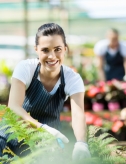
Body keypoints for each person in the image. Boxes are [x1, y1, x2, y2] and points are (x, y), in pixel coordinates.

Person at [0, 23, 91, 160]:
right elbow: (14, 106)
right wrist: (42, 127)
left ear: (65, 49)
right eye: (45, 50)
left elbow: (78, 115)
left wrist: (81, 143)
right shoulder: (26, 68)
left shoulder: (72, 78)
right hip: (13, 134)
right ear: (36, 50)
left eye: (57, 49)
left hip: (46, 142)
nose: (52, 56)